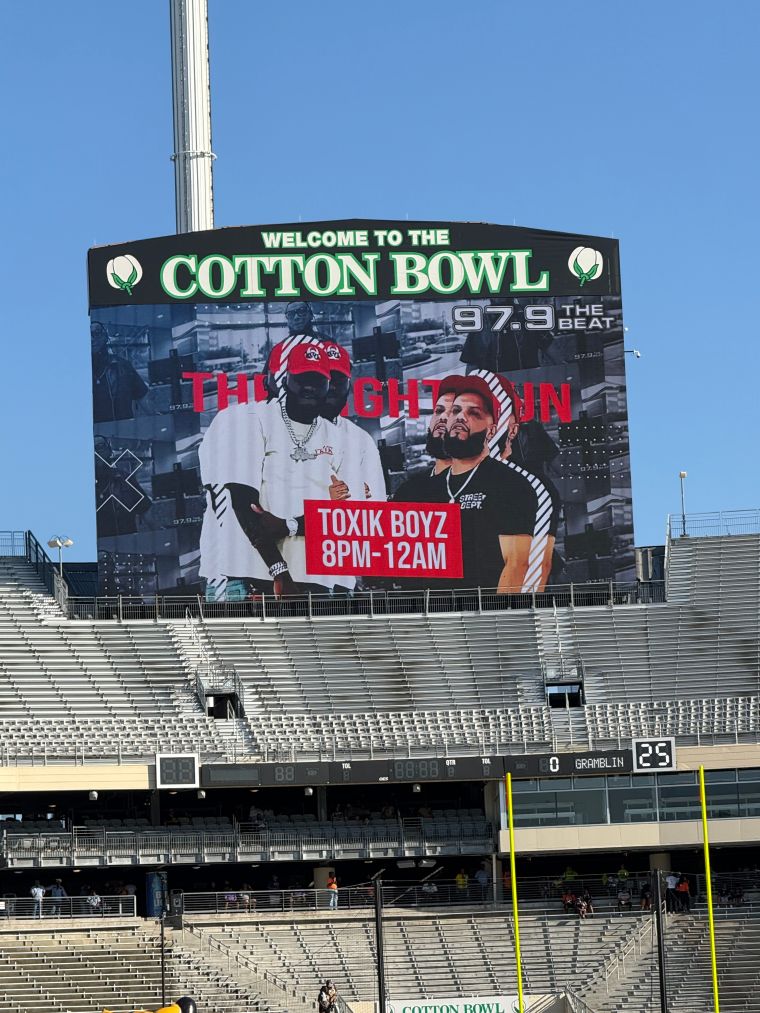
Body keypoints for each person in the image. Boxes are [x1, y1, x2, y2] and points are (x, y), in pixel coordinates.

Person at [198, 342, 360, 598]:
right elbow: (243, 504)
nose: (310, 387)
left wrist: (289, 525)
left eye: (318, 381)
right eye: (302, 379)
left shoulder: (339, 438)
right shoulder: (247, 419)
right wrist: (280, 572)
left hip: (316, 578)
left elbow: (347, 517)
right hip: (250, 576)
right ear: (284, 380)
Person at [423, 374, 552, 593]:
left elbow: (517, 564)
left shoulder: (511, 485)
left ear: (491, 431)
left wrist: (496, 613)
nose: (460, 417)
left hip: (486, 610)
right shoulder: (427, 488)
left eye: (474, 413)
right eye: (456, 411)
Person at [391, 387, 458, 501]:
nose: (443, 418)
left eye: (454, 412)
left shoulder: (484, 484)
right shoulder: (408, 491)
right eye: (439, 411)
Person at [91, 321, 149, 423]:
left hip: (125, 429)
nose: (92, 339)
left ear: (105, 337)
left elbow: (143, 398)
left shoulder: (123, 366)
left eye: (97, 333)